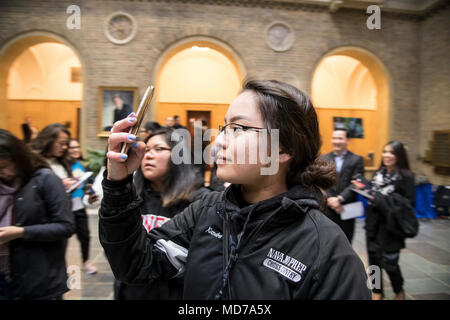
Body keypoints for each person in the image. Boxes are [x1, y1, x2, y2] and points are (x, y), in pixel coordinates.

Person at [100, 79, 371, 300]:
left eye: (238, 128)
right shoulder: (207, 211)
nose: (219, 142)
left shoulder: (326, 248)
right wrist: (118, 185)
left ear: (283, 148)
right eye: (224, 128)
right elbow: (135, 266)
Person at [114, 127, 210, 300]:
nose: (149, 155)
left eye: (159, 149)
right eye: (146, 150)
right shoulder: (132, 197)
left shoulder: (201, 202)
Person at [0, 129, 74, 299]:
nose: (1, 173)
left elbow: (65, 226)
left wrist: (20, 232)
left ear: (18, 159)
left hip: (39, 281)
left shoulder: (44, 179)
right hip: (5, 281)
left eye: (3, 167)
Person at [352, 141, 416, 300]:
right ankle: (377, 292)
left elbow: (409, 204)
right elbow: (374, 193)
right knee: (373, 262)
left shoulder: (406, 176)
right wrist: (365, 187)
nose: (387, 155)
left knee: (390, 263)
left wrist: (380, 198)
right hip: (373, 225)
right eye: (385, 152)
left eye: (392, 153)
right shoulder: (379, 173)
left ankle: (398, 290)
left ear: (399, 156)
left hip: (392, 227)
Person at [322, 129, 364, 243]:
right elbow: (320, 182)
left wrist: (340, 199)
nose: (336, 141)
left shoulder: (356, 159)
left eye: (340, 138)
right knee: (325, 242)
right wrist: (331, 201)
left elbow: (357, 182)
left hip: (346, 209)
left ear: (347, 140)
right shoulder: (322, 159)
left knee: (345, 242)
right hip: (327, 208)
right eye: (334, 138)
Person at [67, 138, 98, 275]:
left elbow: (88, 184)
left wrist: (90, 193)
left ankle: (86, 262)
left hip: (79, 206)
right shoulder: (63, 166)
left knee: (85, 235)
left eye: (77, 147)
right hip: (65, 207)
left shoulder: (82, 165)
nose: (75, 150)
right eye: (71, 147)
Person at [30, 123, 77, 193]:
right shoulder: (34, 161)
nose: (65, 147)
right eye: (61, 143)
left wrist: (72, 185)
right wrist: (59, 184)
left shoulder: (63, 160)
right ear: (49, 141)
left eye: (66, 144)